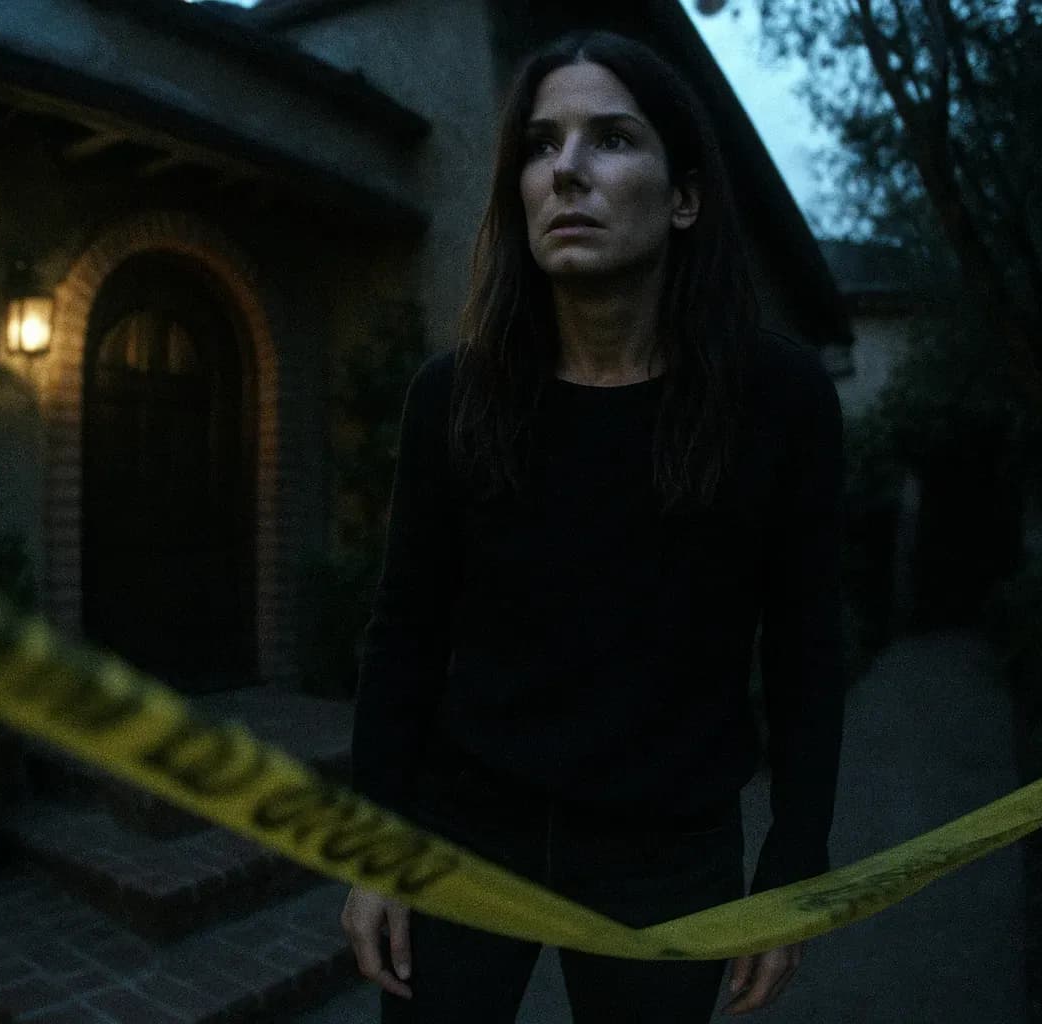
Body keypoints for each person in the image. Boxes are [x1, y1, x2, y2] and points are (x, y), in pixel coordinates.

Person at [338, 28, 846, 1024]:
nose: (566, 170)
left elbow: (805, 648)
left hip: (668, 851)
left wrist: (797, 865)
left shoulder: (779, 397)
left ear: (686, 197)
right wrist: (376, 850)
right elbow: (403, 635)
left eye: (611, 140)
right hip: (467, 832)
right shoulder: (453, 398)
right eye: (540, 145)